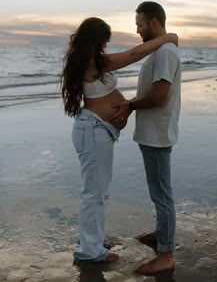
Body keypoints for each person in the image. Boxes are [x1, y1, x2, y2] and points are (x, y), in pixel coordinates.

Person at [61, 17, 178, 264]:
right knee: (94, 193)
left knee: (98, 191)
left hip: (96, 131)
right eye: (104, 39)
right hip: (93, 131)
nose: (106, 44)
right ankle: (89, 252)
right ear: (96, 39)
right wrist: (167, 38)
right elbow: (134, 55)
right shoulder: (94, 62)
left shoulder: (89, 60)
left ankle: (94, 240)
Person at [111, 2, 181, 275]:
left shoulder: (164, 53)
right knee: (159, 192)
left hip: (157, 135)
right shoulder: (161, 51)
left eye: (140, 24)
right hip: (155, 132)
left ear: (154, 22)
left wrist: (129, 105)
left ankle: (165, 255)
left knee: (162, 195)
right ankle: (161, 234)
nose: (137, 29)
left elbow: (159, 96)